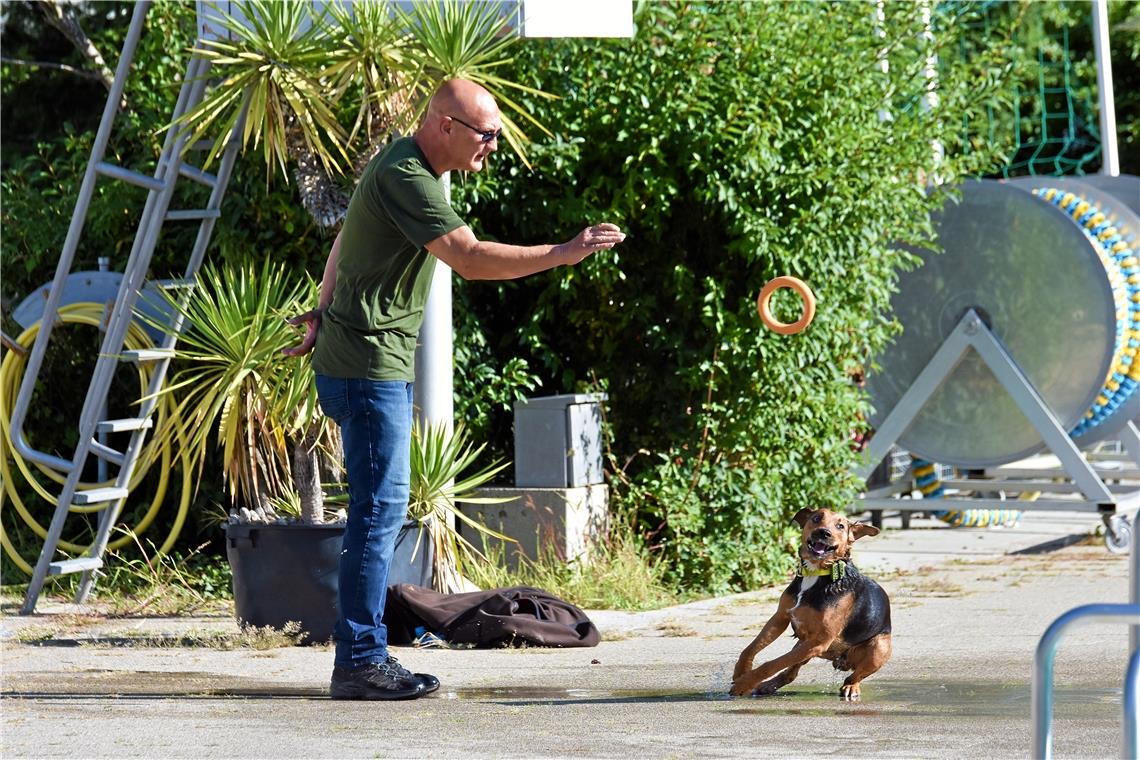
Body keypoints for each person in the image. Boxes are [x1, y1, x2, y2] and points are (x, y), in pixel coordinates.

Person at [283, 78, 625, 701]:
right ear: (445, 126)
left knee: (377, 509)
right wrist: (564, 251)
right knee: (378, 511)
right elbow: (468, 257)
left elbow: (344, 239)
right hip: (367, 366)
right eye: (485, 134)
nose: (493, 145)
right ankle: (359, 659)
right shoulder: (407, 175)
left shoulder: (406, 166)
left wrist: (321, 309)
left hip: (360, 357)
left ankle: (362, 652)